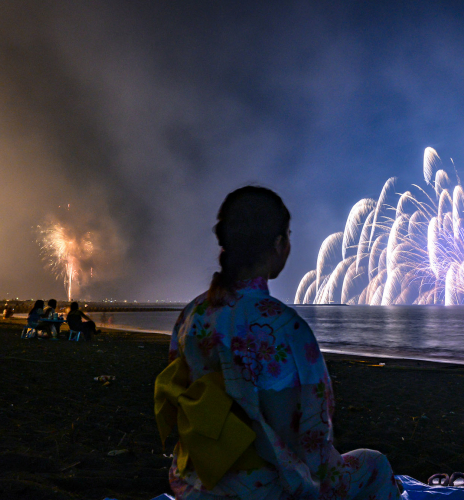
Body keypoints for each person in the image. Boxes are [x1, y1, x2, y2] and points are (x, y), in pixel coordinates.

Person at [158, 186, 401, 500]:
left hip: (195, 481)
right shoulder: (287, 328)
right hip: (264, 490)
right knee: (375, 464)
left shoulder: (192, 315)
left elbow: (180, 398)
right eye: (287, 236)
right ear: (278, 245)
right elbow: (314, 435)